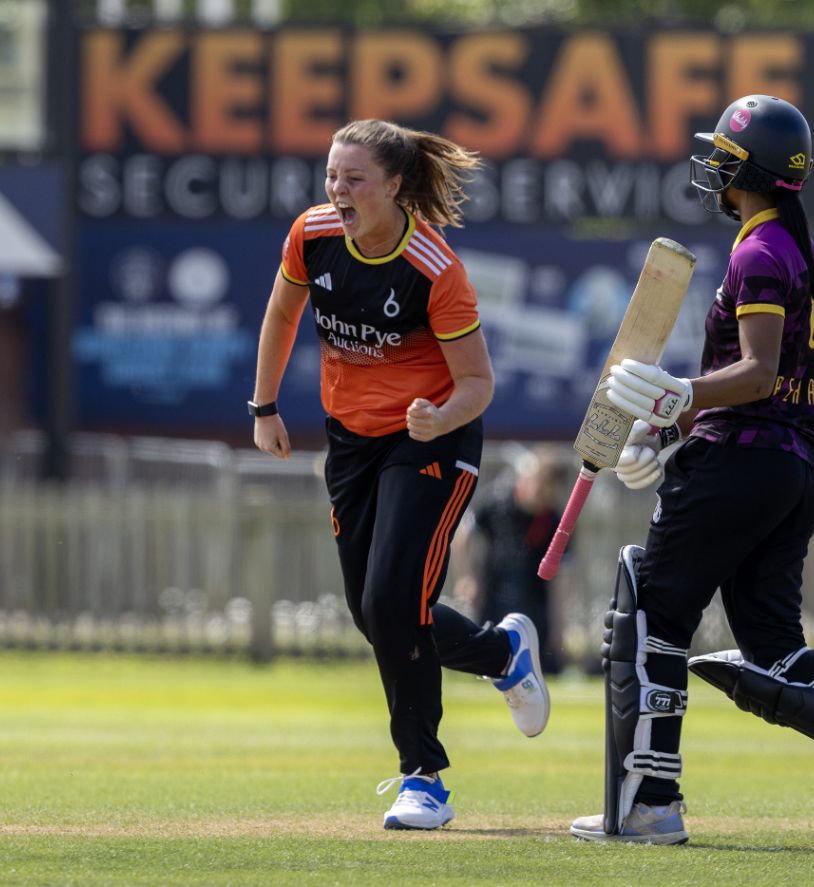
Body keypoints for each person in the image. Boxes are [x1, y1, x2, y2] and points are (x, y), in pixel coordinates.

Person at [568, 96, 814, 848]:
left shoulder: (759, 252)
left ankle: (649, 804)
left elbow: (755, 374)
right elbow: (768, 385)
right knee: (775, 649)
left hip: (740, 461)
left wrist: (686, 396)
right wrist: (677, 420)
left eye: (723, 153)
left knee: (649, 618)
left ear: (743, 171)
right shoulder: (800, 252)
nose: (713, 165)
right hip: (791, 467)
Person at [251, 119, 549, 831]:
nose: (338, 190)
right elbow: (282, 311)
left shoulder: (433, 267)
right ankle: (500, 651)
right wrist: (262, 405)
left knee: (391, 599)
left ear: (392, 186)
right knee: (375, 612)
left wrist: (439, 417)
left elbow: (478, 383)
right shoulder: (313, 234)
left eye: (354, 179)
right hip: (352, 441)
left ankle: (425, 778)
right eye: (331, 175)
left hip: (434, 440)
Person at [454, 447, 567, 676]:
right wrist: (467, 577)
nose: (541, 494)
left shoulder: (554, 519)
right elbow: (462, 536)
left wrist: (559, 624)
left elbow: (564, 575)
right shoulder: (497, 501)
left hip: (535, 604)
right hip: (493, 596)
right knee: (488, 665)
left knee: (537, 669)